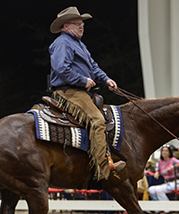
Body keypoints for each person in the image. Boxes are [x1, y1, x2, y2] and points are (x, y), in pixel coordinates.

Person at [49, 6, 124, 181]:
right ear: (66, 26)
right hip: (69, 92)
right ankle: (103, 169)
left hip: (79, 91)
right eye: (77, 24)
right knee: (97, 121)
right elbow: (61, 68)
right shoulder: (62, 43)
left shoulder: (79, 44)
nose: (81, 27)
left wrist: (105, 79)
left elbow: (93, 66)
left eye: (82, 24)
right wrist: (82, 81)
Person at [147, 146, 179, 212]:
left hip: (175, 182)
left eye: (166, 151)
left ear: (169, 153)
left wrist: (172, 167)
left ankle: (168, 209)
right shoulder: (160, 162)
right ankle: (158, 209)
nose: (164, 152)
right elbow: (158, 170)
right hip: (167, 183)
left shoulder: (172, 160)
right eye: (163, 151)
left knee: (159, 190)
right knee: (151, 190)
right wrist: (157, 173)